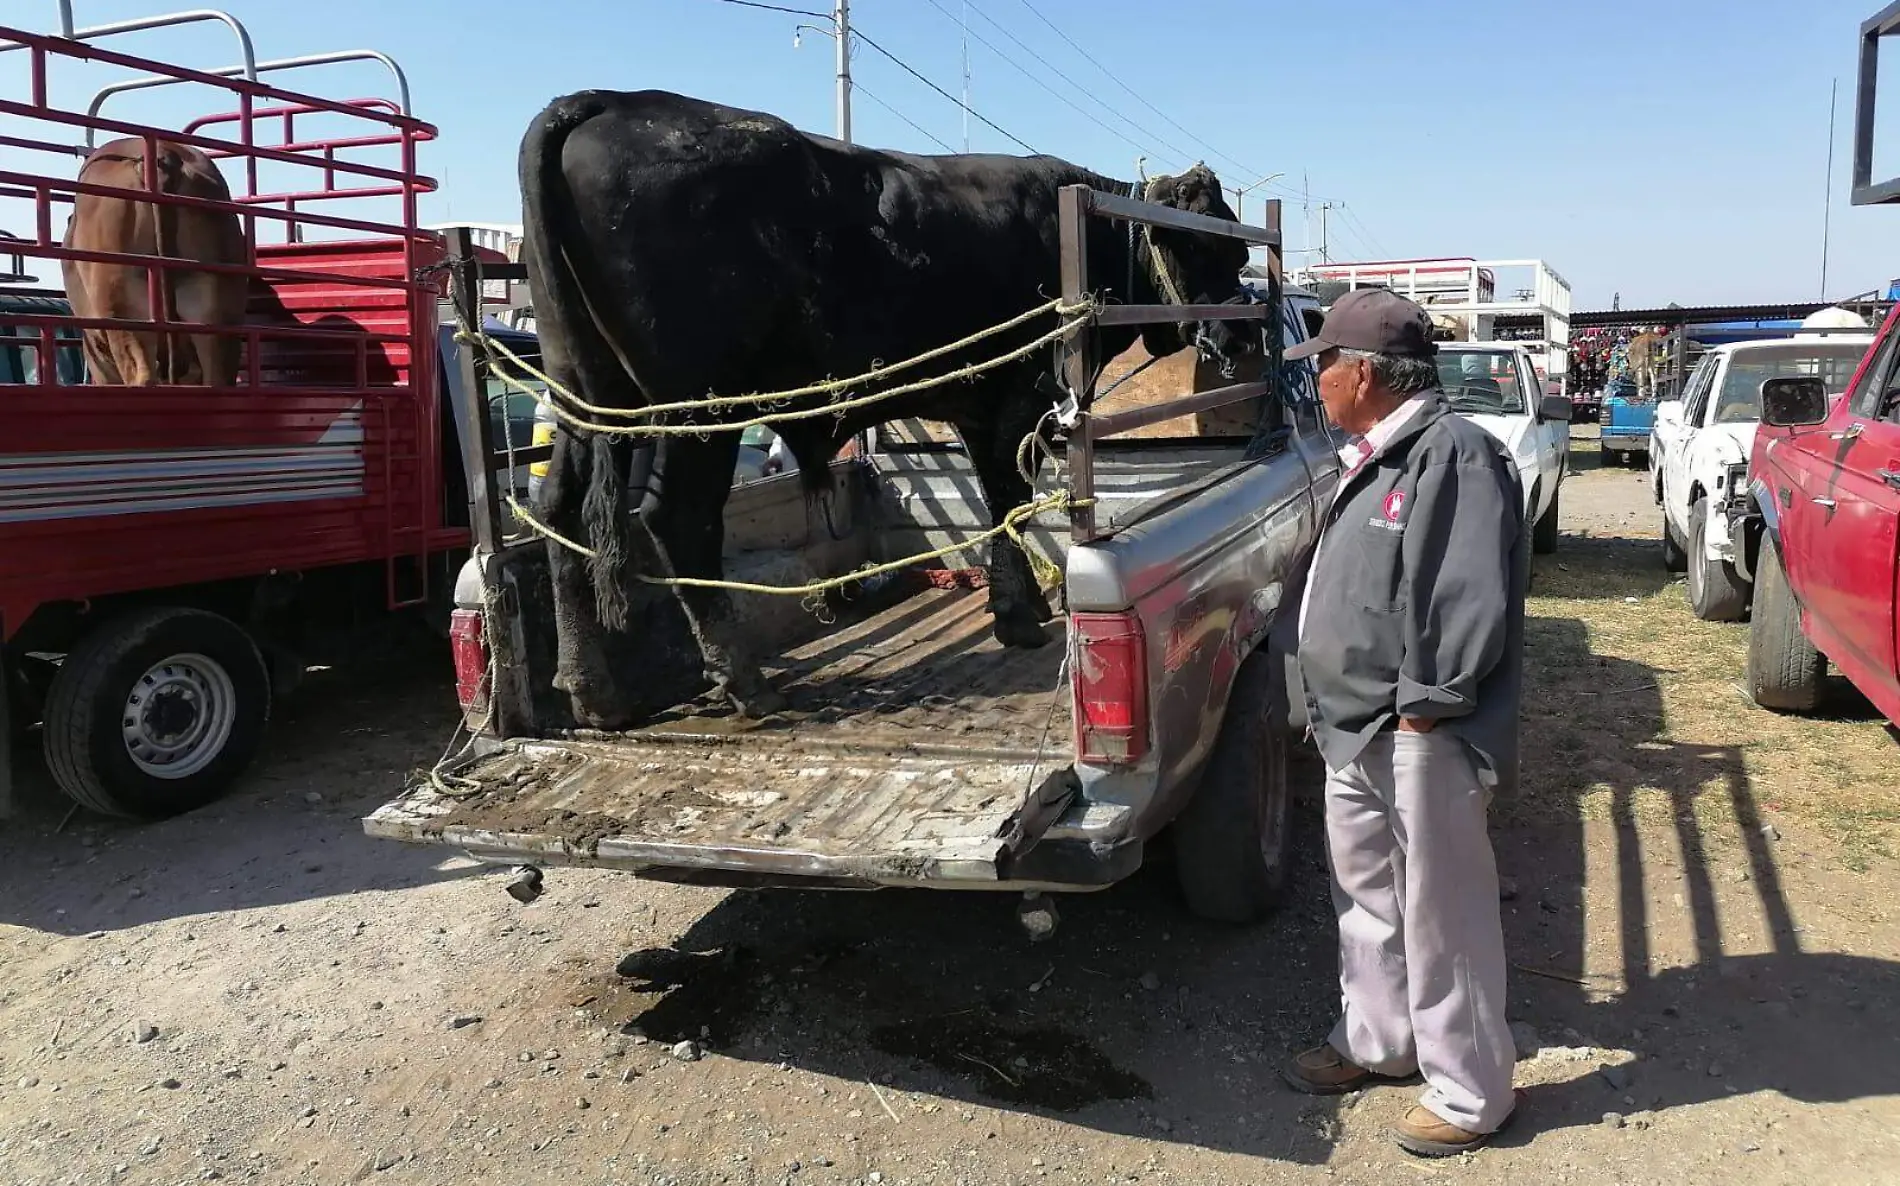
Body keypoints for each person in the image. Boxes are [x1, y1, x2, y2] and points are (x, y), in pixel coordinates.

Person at [1279, 288, 1527, 1157]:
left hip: (1418, 728)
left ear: (1369, 373)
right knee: (1367, 898)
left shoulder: (1451, 455)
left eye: (1326, 366)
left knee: (1443, 910)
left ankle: (1469, 1092)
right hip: (1355, 724)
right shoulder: (1375, 450)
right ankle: (1377, 1041)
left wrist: (1428, 710)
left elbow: (1463, 596)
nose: (1318, 381)